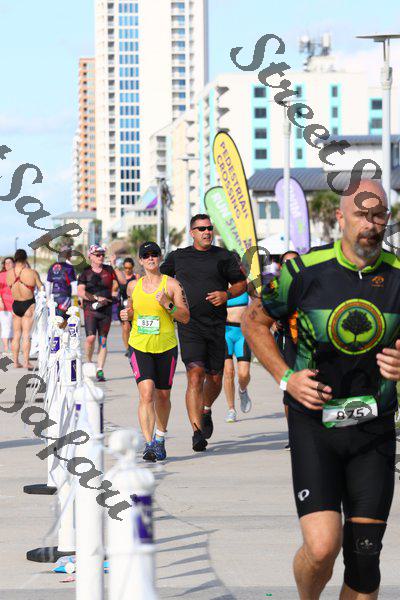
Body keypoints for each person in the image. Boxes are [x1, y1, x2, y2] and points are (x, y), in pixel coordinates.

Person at [242, 179, 400, 599]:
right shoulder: (304, 272)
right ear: (339, 218)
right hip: (315, 425)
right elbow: (254, 322)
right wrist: (286, 377)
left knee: (365, 557)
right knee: (322, 547)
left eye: (378, 215)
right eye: (361, 215)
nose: (370, 224)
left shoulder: (398, 274)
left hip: (374, 428)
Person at [161, 214, 247, 451]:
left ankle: (206, 408)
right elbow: (160, 280)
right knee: (195, 375)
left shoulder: (224, 256)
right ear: (192, 233)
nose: (207, 232)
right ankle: (197, 432)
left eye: (209, 228)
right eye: (201, 229)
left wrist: (226, 294)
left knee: (216, 378)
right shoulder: (178, 257)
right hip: (189, 325)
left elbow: (242, 284)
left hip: (217, 326)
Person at [121, 241, 190, 461]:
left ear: (160, 258)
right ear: (140, 260)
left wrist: (168, 304)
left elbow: (185, 317)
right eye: (146, 255)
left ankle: (160, 438)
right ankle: (149, 444)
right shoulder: (133, 286)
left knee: (163, 395)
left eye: (154, 254)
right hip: (139, 345)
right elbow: (131, 311)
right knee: (147, 393)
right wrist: (127, 315)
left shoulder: (172, 285)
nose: (150, 258)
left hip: (166, 347)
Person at [77, 245, 119, 382]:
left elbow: (122, 281)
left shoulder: (109, 269)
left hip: (106, 309)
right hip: (90, 309)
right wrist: (95, 298)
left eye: (102, 254)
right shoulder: (85, 273)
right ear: (90, 256)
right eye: (97, 254)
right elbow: (80, 291)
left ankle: (100, 369)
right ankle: (89, 362)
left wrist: (114, 265)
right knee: (90, 338)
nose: (100, 257)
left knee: (103, 340)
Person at [274, 250, 300, 448]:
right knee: (289, 390)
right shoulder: (276, 288)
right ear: (281, 267)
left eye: (295, 262)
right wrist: (275, 322)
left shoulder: (313, 283)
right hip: (288, 343)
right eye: (287, 263)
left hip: (312, 345)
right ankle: (294, 434)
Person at [6, 249, 43, 369]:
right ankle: (26, 362)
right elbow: (41, 288)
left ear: (15, 258)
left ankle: (16, 362)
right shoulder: (32, 272)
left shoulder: (9, 273)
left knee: (16, 335)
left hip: (16, 304)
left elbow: (10, 287)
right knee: (26, 335)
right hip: (28, 304)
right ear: (26, 258)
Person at [223, 283, 252, 423]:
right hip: (225, 333)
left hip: (243, 333)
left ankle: (242, 389)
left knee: (244, 374)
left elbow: (259, 301)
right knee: (228, 372)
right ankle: (231, 409)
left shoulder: (246, 283)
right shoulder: (220, 282)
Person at [111, 255, 139, 356]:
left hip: (134, 306)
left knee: (134, 328)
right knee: (126, 328)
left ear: (133, 267)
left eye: (130, 268)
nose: (127, 270)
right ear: (123, 267)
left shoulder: (136, 277)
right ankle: (128, 349)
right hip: (123, 306)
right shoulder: (120, 277)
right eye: (126, 268)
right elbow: (114, 288)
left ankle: (135, 346)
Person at [46, 246, 77, 318]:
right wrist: (76, 297)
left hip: (54, 296)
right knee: (63, 318)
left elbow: (48, 283)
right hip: (65, 297)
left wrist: (48, 298)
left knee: (55, 318)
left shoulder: (52, 266)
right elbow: (74, 283)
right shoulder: (69, 267)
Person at [0, 256, 15, 354]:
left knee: (14, 327)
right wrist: (0, 301)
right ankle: (6, 348)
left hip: (16, 305)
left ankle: (13, 348)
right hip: (4, 305)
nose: (8, 264)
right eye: (6, 263)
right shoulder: (1, 275)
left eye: (10, 262)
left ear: (14, 263)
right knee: (6, 327)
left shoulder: (17, 274)